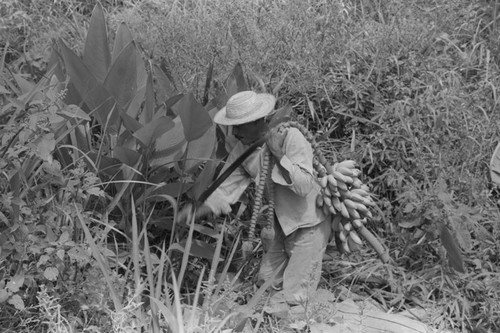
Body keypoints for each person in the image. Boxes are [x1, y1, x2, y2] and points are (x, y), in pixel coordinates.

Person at [178, 90, 331, 313]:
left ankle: (296, 321)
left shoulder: (290, 138)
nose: (235, 131)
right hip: (281, 226)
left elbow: (304, 185)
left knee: (296, 296)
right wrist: (197, 212)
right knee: (265, 284)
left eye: (240, 125)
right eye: (233, 126)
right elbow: (227, 188)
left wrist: (278, 154)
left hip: (309, 224)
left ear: (257, 120)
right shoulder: (243, 149)